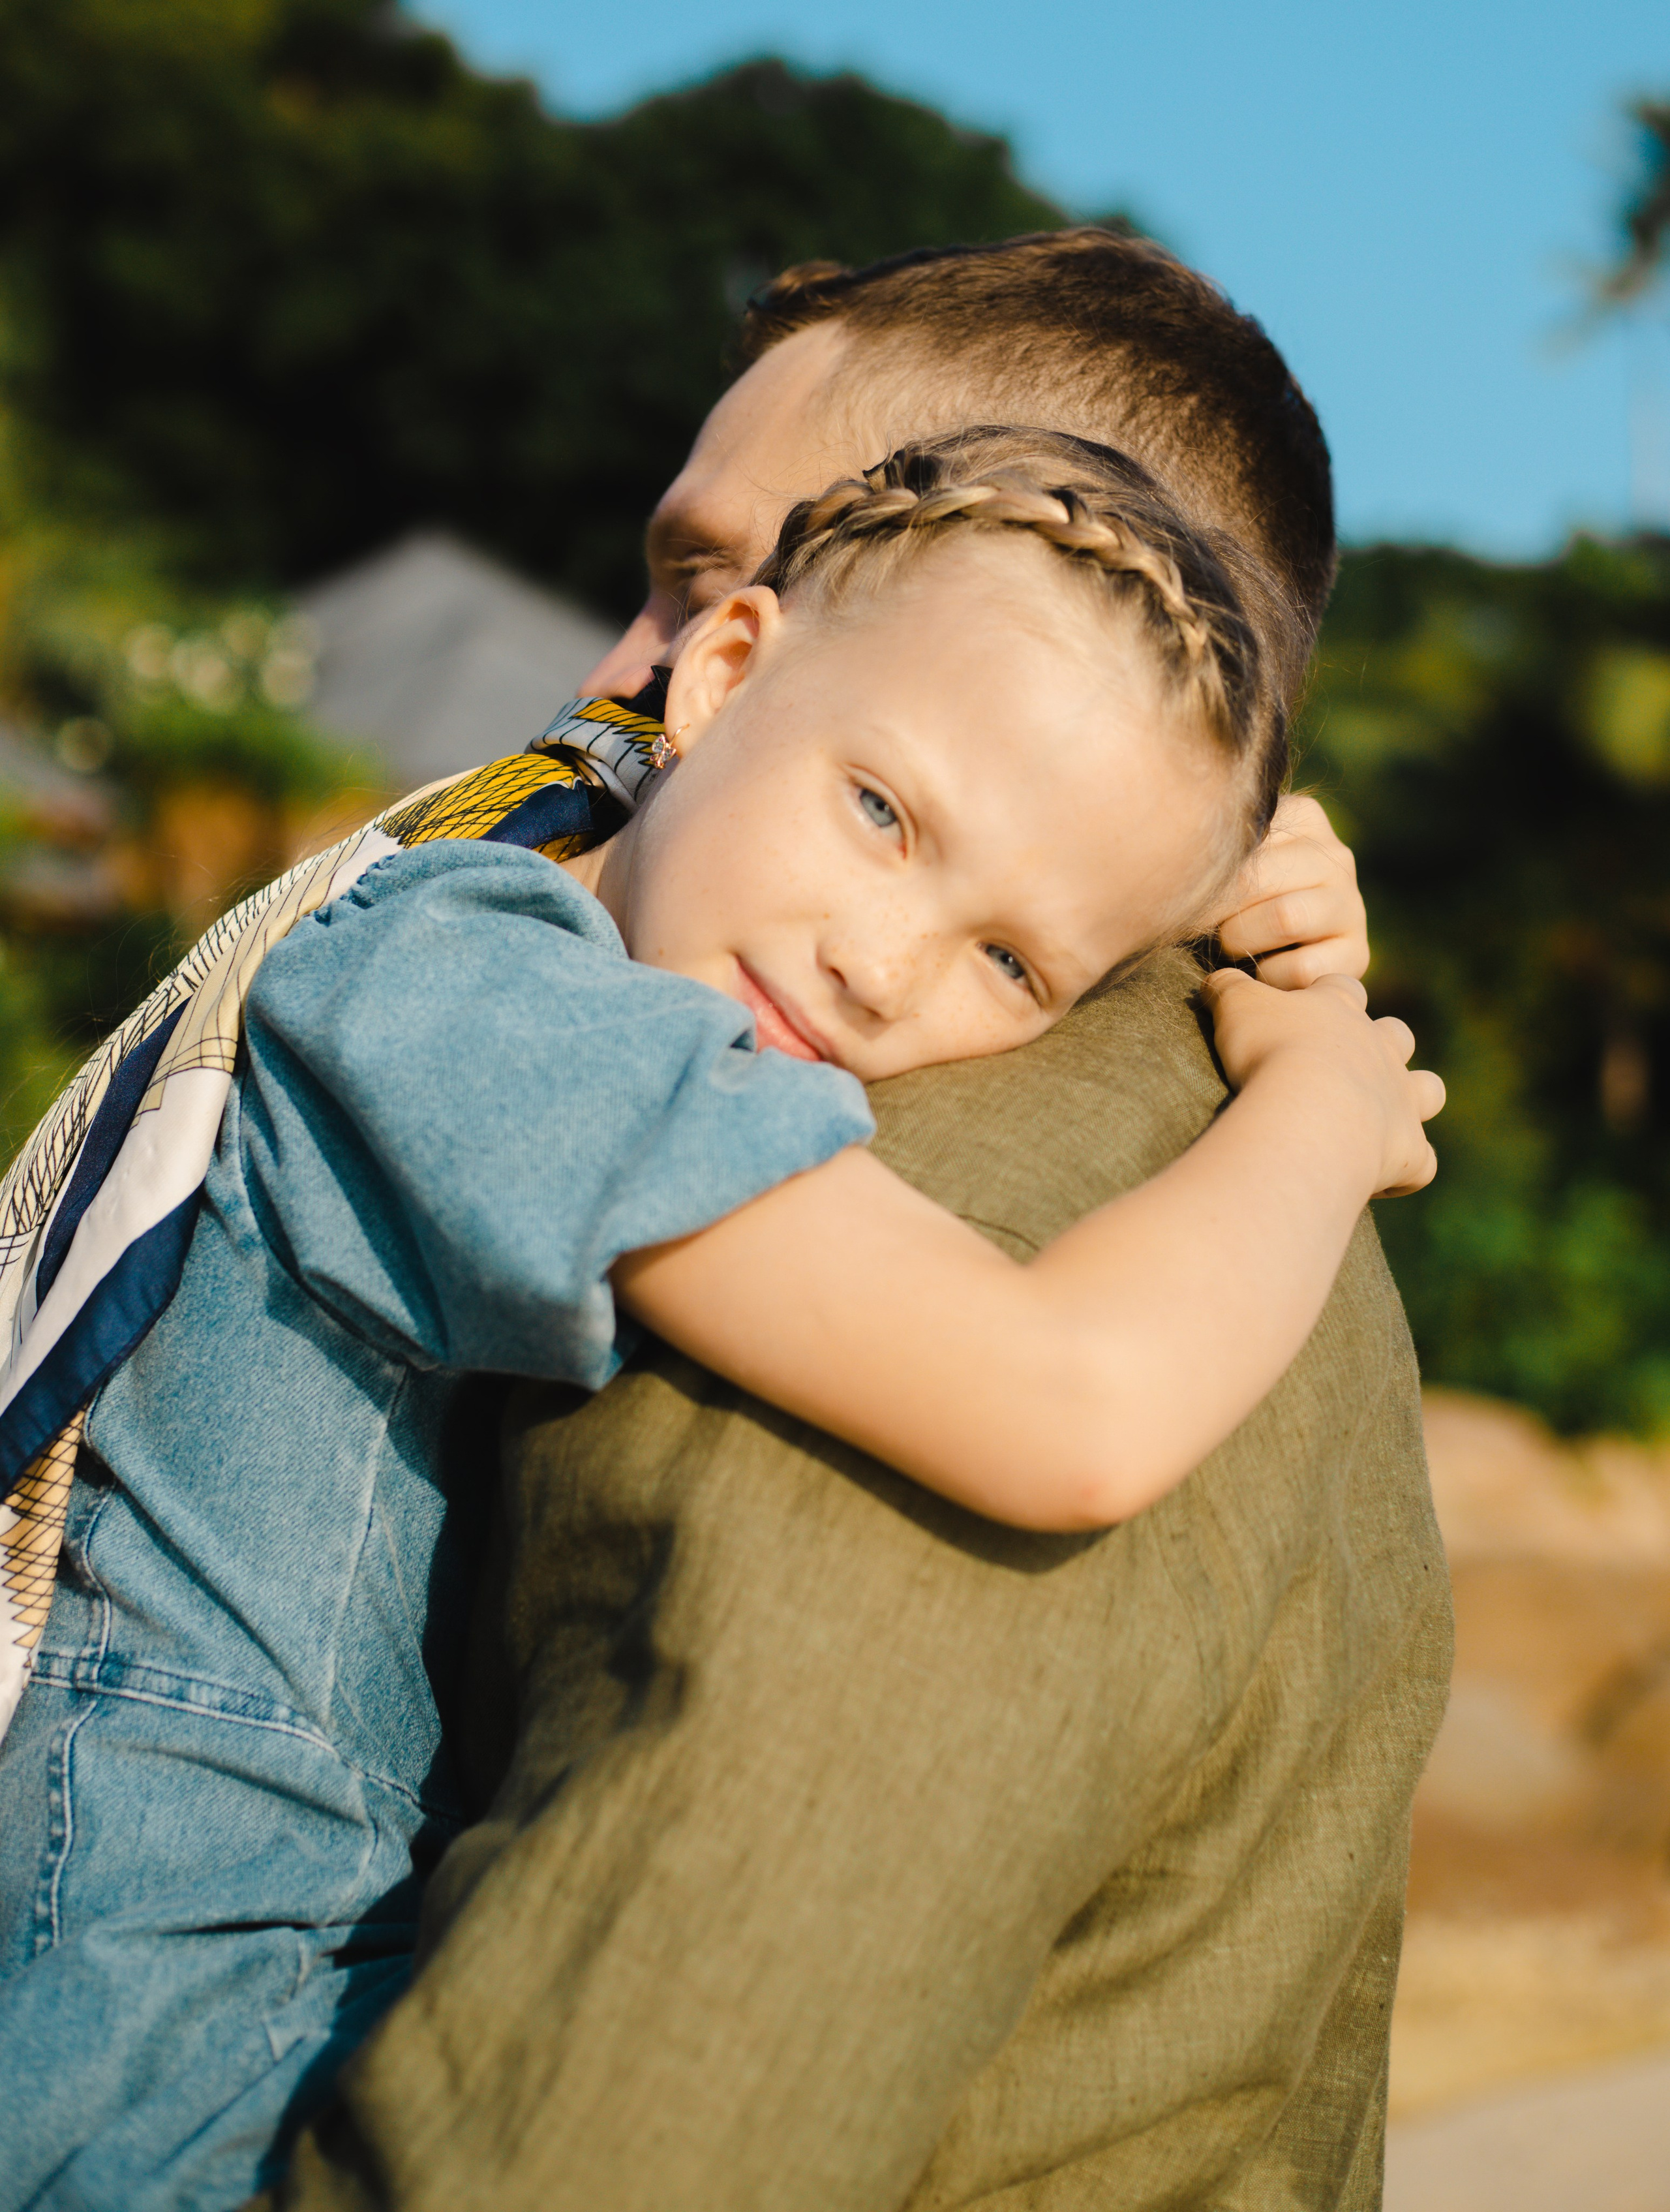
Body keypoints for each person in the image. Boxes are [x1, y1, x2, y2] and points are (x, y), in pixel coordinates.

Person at [0, 423, 1435, 2212]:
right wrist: (1323, 1107)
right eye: (883, 812)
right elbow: (1069, 1406)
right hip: (161, 2089)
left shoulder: (525, 925)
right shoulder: (465, 1003)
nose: (881, 967)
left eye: (1013, 961)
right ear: (727, 667)